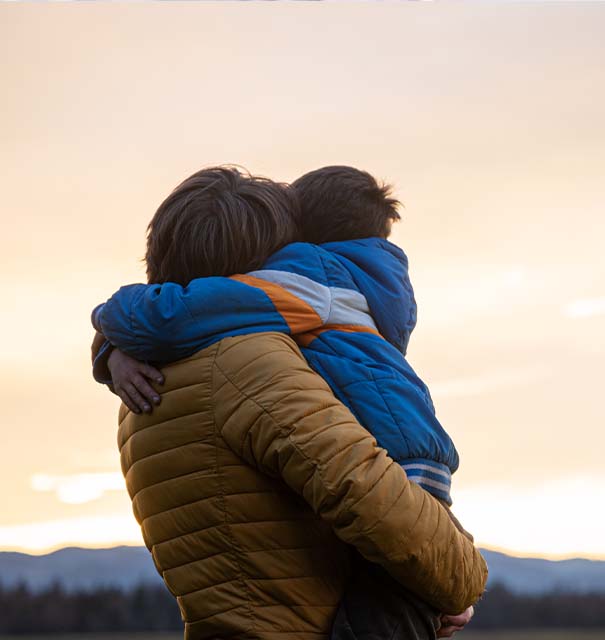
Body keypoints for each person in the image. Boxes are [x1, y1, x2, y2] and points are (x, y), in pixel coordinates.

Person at [90, 166, 485, 639]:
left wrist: (110, 345)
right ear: (252, 266)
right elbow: (363, 492)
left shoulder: (141, 389)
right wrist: (458, 579)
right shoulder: (247, 362)